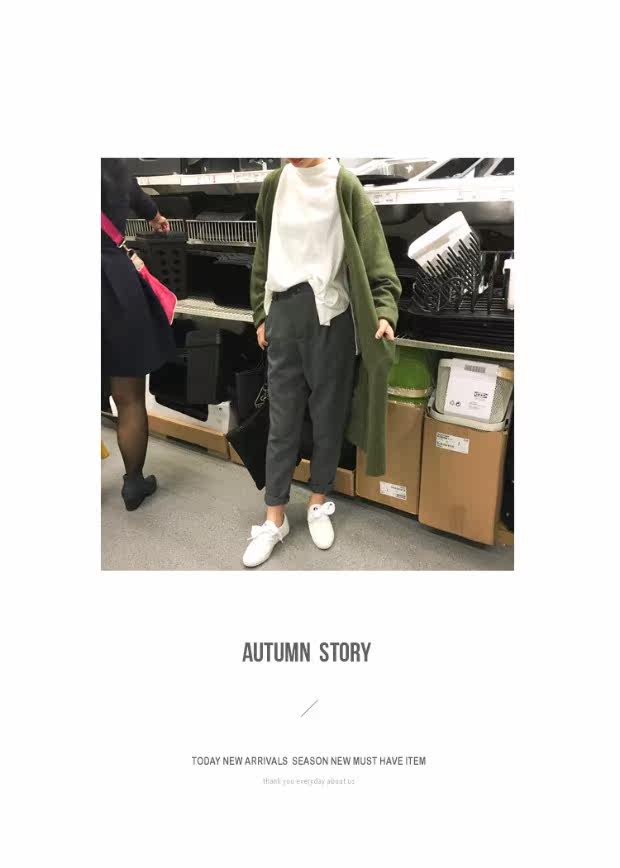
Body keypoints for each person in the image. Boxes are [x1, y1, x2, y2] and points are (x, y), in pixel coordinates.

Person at [243, 157, 401, 567]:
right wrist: (261, 312)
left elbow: (377, 259)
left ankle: (317, 502)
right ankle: (274, 517)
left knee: (328, 417)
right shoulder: (274, 184)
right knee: (282, 422)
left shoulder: (344, 185)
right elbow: (263, 250)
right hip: (283, 313)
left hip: (331, 318)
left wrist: (385, 311)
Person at [101, 158, 176, 510]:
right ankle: (133, 484)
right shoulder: (111, 164)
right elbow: (140, 199)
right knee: (129, 397)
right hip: (113, 281)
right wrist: (156, 217)